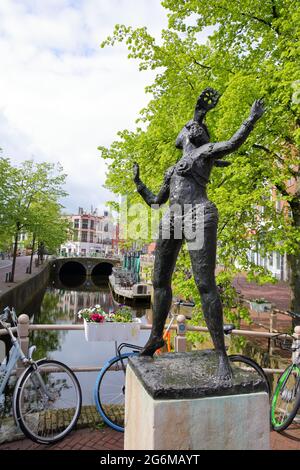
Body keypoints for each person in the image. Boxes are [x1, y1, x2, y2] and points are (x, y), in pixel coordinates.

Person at [133, 89, 265, 381]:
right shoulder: (172, 168)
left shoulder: (204, 153)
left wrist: (250, 120)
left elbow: (232, 143)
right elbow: (156, 201)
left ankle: (221, 357)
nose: (183, 130)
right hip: (172, 218)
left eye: (188, 128)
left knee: (205, 285)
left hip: (198, 215)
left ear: (193, 135)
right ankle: (156, 338)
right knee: (158, 280)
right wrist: (138, 183)